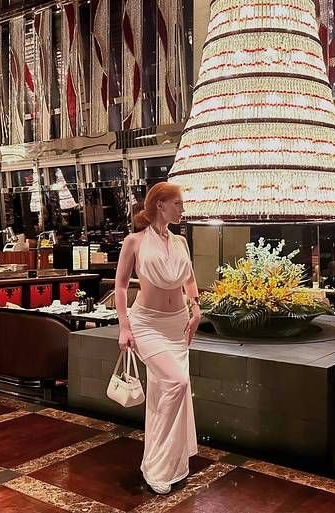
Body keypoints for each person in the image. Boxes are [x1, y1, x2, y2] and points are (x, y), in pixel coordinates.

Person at [114, 182, 201, 495]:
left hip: (177, 327)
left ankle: (171, 464)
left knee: (166, 390)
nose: (182, 210)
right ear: (160, 204)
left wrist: (196, 307)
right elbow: (121, 287)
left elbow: (189, 279)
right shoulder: (134, 242)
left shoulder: (180, 242)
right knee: (177, 383)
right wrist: (124, 327)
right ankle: (155, 463)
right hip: (147, 324)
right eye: (178, 203)